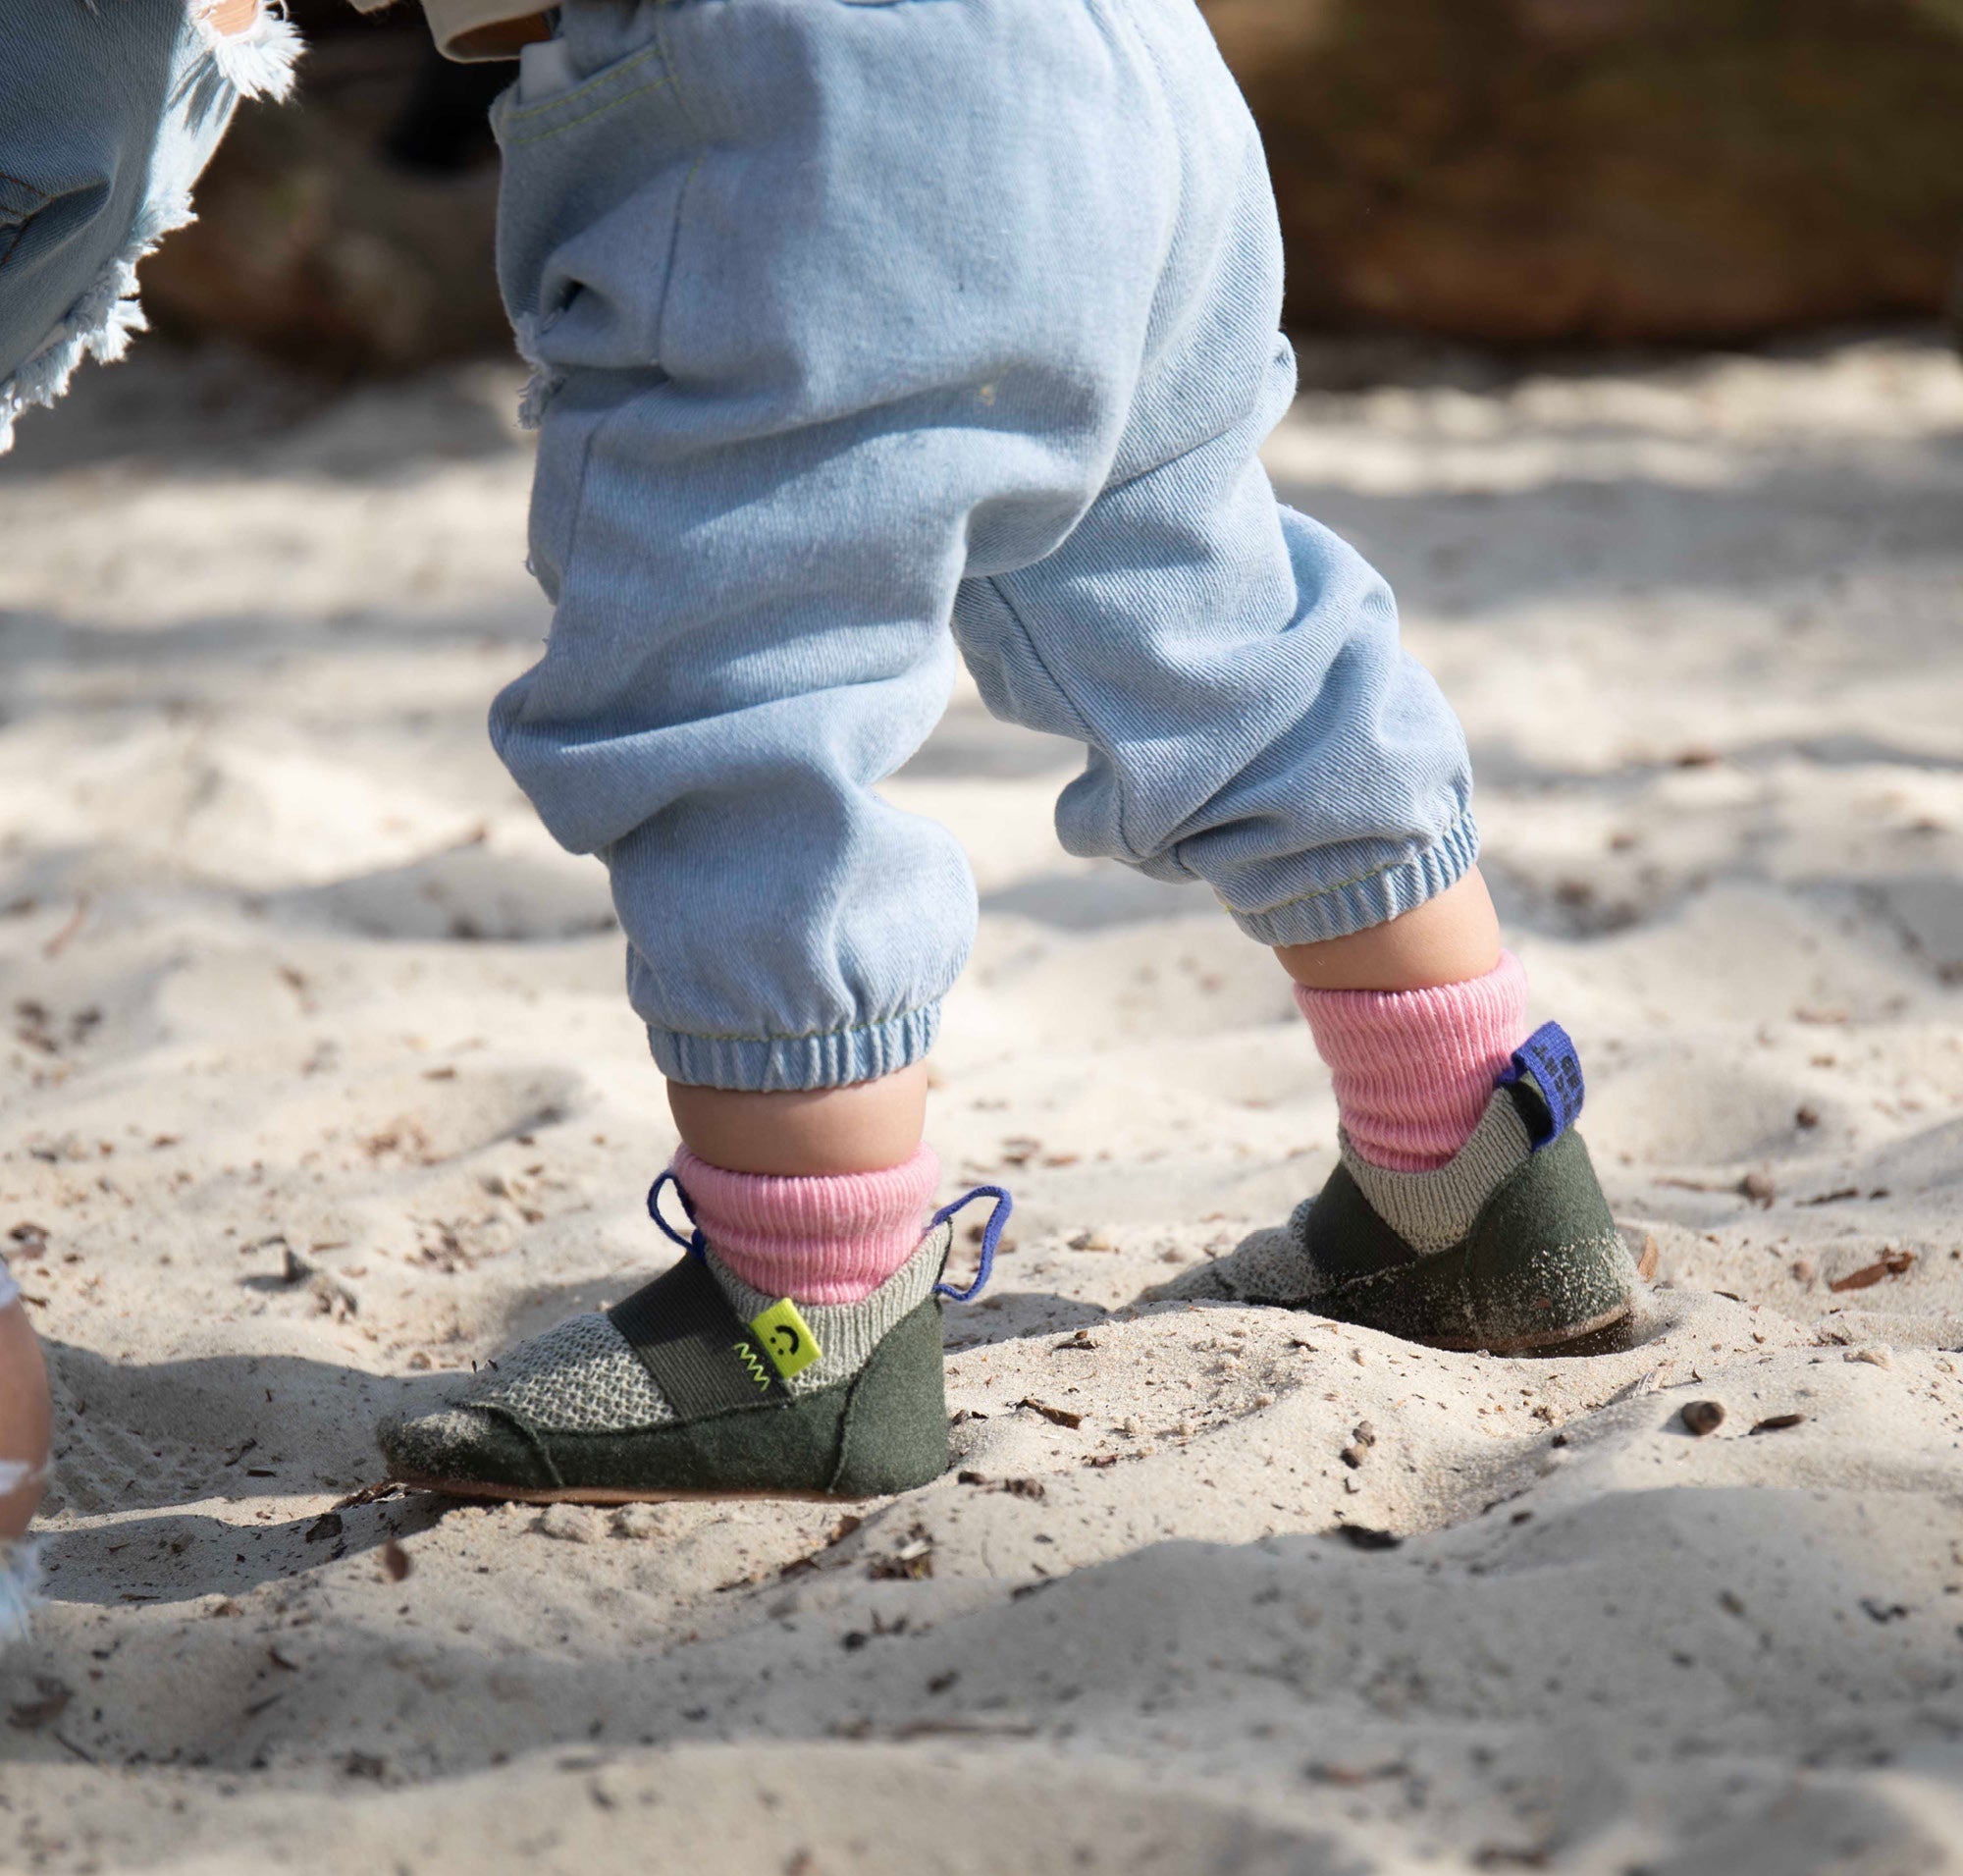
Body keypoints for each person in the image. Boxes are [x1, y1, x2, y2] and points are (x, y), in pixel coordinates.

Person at [1, 0, 1636, 1523]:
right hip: (1131, 80)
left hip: (802, 104)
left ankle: (803, 1315)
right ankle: (1476, 1169)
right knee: (1200, 600)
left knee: (740, 668)